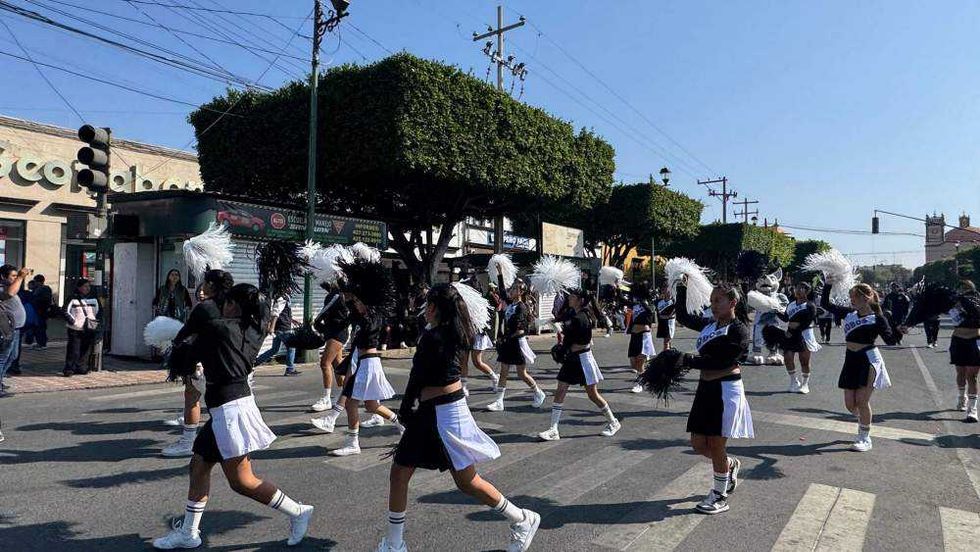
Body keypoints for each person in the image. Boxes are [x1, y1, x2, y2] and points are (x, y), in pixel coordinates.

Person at [377, 283, 539, 552]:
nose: (423, 309)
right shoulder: (451, 332)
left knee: (449, 479)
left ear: (434, 307)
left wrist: (405, 409)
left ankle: (522, 518)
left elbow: (419, 376)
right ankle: (395, 544)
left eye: (427, 304)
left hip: (442, 414)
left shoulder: (436, 336)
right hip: (443, 411)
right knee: (442, 479)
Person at [152, 283, 313, 549]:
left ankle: (298, 511)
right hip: (227, 409)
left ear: (233, 305)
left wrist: (179, 343)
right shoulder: (255, 329)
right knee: (199, 464)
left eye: (225, 301)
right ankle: (189, 533)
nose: (221, 304)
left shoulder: (219, 329)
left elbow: (187, 347)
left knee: (242, 481)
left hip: (230, 411)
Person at [673, 280, 753, 515]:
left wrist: (686, 360)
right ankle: (729, 465)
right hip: (705, 390)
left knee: (717, 445)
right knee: (698, 445)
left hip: (726, 390)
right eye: (712, 301)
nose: (713, 305)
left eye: (718, 300)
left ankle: (719, 495)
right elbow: (685, 317)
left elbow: (722, 362)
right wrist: (680, 287)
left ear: (733, 302)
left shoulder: (739, 330)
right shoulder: (710, 325)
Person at [311, 259, 404, 454]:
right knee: (371, 405)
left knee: (353, 403)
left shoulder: (371, 318)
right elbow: (348, 304)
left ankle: (353, 443)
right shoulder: (366, 316)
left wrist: (353, 292)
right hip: (366, 363)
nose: (356, 304)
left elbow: (355, 311)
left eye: (359, 301)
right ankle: (402, 426)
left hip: (369, 364)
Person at [162, 271, 235, 457]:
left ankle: (188, 442)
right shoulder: (235, 305)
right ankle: (227, 441)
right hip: (231, 364)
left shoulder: (205, 307)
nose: (202, 286)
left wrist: (176, 344)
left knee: (193, 397)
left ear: (211, 285)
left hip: (204, 363)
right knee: (222, 404)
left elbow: (184, 334)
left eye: (205, 283)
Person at [821, 282, 899, 452]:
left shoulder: (878, 318)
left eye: (854, 297)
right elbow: (825, 305)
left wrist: (895, 325)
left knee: (862, 401)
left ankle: (865, 437)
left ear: (865, 298)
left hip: (868, 359)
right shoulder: (849, 314)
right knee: (850, 404)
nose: (851, 300)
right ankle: (864, 420)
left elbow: (891, 340)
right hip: (850, 359)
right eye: (851, 297)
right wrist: (827, 285)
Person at [538, 287, 621, 441]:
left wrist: (561, 335)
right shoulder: (574, 314)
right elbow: (563, 319)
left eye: (573, 296)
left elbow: (574, 339)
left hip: (583, 360)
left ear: (580, 300)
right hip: (573, 359)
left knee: (593, 394)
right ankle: (553, 429)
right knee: (560, 390)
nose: (569, 298)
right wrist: (555, 323)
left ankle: (613, 421)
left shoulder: (582, 317)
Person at [902, 280, 980, 421]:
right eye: (960, 289)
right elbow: (927, 309)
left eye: (965, 289)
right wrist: (909, 323)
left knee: (972, 376)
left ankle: (972, 410)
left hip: (975, 340)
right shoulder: (950, 302)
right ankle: (962, 398)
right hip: (958, 340)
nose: (962, 292)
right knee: (961, 373)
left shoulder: (976, 303)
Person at [487, 270, 545, 412]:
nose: (511, 290)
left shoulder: (522, 308)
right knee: (504, 371)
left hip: (517, 344)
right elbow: (501, 291)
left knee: (521, 374)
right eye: (511, 288)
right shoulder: (510, 303)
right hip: (508, 343)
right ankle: (499, 402)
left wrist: (506, 338)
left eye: (514, 289)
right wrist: (500, 273)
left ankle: (538, 392)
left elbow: (521, 331)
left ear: (520, 293)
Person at [772, 282, 821, 394]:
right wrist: (775, 309)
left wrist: (794, 329)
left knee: (804, 361)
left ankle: (805, 384)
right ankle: (794, 382)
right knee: (787, 358)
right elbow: (785, 318)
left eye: (802, 288)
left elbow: (806, 322)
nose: (798, 290)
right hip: (791, 335)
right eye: (797, 288)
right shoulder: (791, 305)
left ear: (807, 291)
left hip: (805, 335)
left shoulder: (810, 305)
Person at [311, 283, 351, 412]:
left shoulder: (336, 296)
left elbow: (324, 312)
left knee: (324, 363)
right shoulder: (334, 295)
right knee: (337, 365)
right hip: (333, 331)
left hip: (337, 333)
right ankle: (343, 395)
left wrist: (315, 322)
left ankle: (327, 398)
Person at [460, 276, 499, 397]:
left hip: (478, 334)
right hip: (466, 334)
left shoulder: (481, 303)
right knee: (463, 361)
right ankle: (464, 386)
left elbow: (485, 321)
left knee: (477, 362)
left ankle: (494, 377)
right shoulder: (461, 303)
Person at [0, 265, 29, 393]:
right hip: (6, 329)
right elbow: (10, 294)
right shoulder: (3, 288)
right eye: (13, 276)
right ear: (3, 277)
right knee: (3, 357)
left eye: (16, 276)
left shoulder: (11, 286)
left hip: (16, 328)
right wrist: (21, 277)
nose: (15, 278)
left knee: (12, 356)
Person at [63, 279, 100, 377]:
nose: (87, 288)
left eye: (88, 286)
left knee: (85, 349)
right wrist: (74, 322)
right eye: (85, 286)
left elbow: (98, 311)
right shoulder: (72, 298)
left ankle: (81, 367)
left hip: (89, 327)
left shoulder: (94, 298)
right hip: (75, 328)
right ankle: (69, 368)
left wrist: (94, 321)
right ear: (79, 287)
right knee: (73, 349)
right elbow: (65, 311)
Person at [256, 300, 299, 376]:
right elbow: (275, 314)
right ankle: (290, 369)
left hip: (280, 328)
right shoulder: (282, 299)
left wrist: (292, 320)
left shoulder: (284, 299)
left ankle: (255, 363)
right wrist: (272, 327)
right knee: (291, 347)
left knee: (274, 349)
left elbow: (282, 314)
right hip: (284, 328)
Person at [627, 284, 657, 394]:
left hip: (644, 335)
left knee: (640, 362)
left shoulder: (648, 304)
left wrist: (642, 301)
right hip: (634, 336)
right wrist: (616, 289)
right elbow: (623, 301)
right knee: (633, 363)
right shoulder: (635, 305)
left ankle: (639, 384)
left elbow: (650, 312)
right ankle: (646, 376)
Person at [29, 274, 52, 350]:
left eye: (35, 281)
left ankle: (42, 344)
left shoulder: (41, 289)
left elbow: (35, 299)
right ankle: (40, 343)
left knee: (40, 328)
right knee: (40, 328)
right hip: (42, 312)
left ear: (38, 282)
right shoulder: (46, 289)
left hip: (40, 312)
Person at [655, 284, 677, 351]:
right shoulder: (659, 302)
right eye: (664, 289)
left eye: (668, 290)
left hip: (671, 323)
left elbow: (674, 313)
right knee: (666, 341)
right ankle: (666, 354)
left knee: (668, 340)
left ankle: (668, 351)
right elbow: (660, 314)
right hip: (664, 323)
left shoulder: (674, 301)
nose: (667, 291)